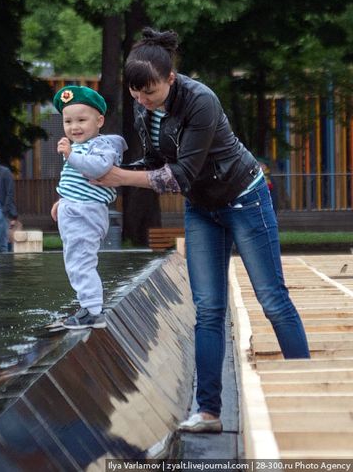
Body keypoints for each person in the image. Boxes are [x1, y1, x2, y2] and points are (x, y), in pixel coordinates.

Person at [91, 28, 310, 433]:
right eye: (136, 93)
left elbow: (179, 174)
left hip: (244, 198)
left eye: (150, 93)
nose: (142, 100)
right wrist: (100, 173)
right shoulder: (144, 107)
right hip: (202, 207)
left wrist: (119, 177)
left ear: (170, 78)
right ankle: (208, 412)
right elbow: (155, 162)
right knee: (208, 309)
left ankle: (307, 390)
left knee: (272, 298)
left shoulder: (200, 101)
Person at [50, 85, 127, 330]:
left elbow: (98, 169)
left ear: (100, 120)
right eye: (68, 121)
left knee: (81, 259)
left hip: (86, 212)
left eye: (82, 120)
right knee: (74, 259)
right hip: (74, 209)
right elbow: (77, 181)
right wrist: (62, 201)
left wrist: (71, 155)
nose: (74, 127)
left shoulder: (103, 145)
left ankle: (93, 311)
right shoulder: (78, 147)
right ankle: (88, 305)